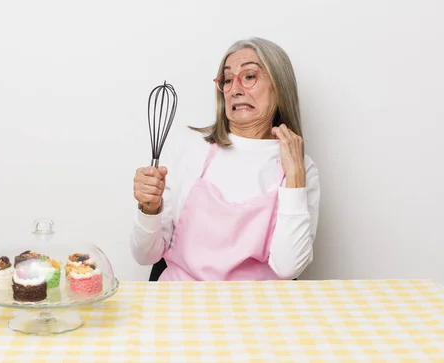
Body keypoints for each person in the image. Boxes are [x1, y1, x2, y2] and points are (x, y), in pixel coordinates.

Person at [129, 37, 320, 281]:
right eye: (227, 80)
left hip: (256, 310)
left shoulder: (300, 169)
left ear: (280, 86)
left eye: (249, 76)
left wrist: (295, 177)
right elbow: (145, 255)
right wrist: (149, 209)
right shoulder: (190, 150)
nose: (236, 89)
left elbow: (289, 268)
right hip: (180, 303)